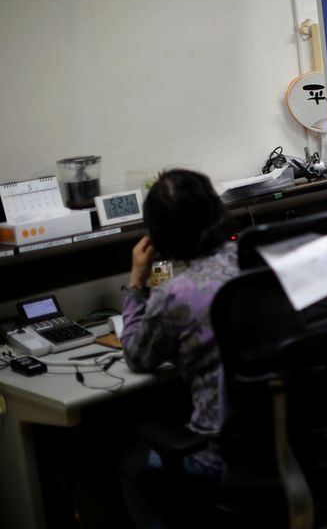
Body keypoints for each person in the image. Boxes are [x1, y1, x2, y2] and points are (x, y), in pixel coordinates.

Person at [118, 168, 238, 527]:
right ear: (217, 209)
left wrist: (136, 283)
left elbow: (138, 357)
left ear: (159, 235)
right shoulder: (258, 259)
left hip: (222, 456)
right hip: (292, 439)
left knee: (129, 462)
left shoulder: (175, 294)